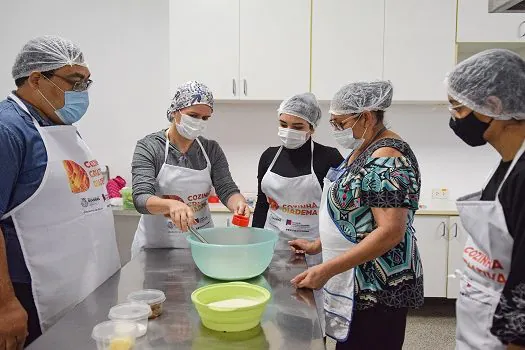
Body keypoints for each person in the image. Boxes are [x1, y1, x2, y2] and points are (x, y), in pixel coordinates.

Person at [0, 35, 120, 348]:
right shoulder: (8, 130)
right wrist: (5, 305)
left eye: (86, 83)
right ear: (37, 79)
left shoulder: (64, 128)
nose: (83, 93)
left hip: (83, 289)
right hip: (35, 295)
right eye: (75, 81)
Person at [290, 81, 424, 349]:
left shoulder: (388, 156)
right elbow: (356, 214)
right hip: (354, 280)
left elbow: (390, 232)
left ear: (366, 116)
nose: (336, 129)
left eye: (340, 123)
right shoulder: (364, 148)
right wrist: (320, 244)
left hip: (377, 289)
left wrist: (326, 270)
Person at [445, 49, 525, 350]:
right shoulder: (508, 164)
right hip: (479, 328)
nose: (454, 119)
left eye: (458, 109)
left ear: (491, 105)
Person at [131, 81, 250, 256]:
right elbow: (141, 198)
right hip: (156, 249)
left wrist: (238, 203)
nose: (199, 122)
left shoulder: (210, 149)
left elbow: (226, 189)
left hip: (200, 243)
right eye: (193, 115)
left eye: (205, 118)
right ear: (175, 112)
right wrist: (170, 205)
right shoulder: (149, 147)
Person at [252, 92, 343, 255]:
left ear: (312, 127)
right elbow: (262, 205)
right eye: (283, 124)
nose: (289, 131)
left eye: (297, 127)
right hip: (272, 245)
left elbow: (341, 210)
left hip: (314, 249)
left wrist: (322, 245)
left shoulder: (329, 157)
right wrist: (254, 243)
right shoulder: (268, 156)